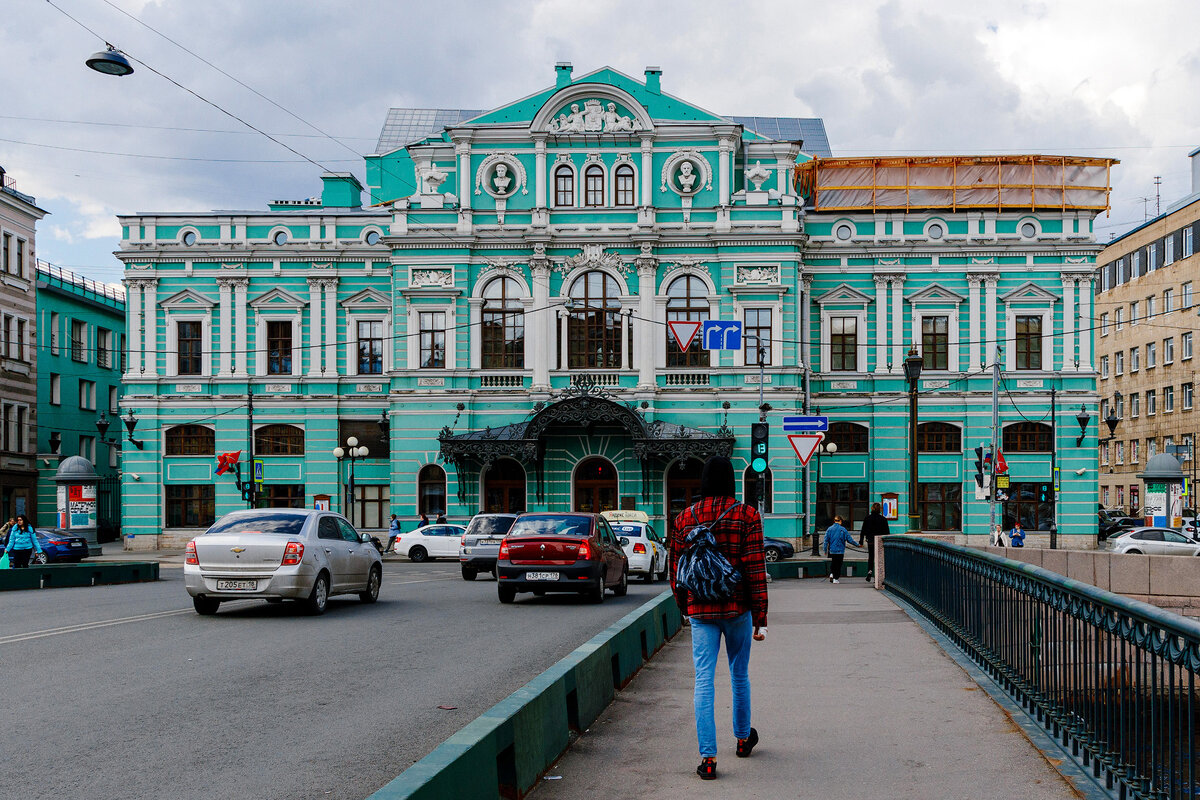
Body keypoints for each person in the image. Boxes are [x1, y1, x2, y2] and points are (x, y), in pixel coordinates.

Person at [669, 455, 767, 781]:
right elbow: (755, 568)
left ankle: (708, 759)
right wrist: (760, 616)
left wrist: (686, 606)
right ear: (731, 482)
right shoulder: (747, 515)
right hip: (738, 608)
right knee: (739, 675)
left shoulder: (684, 518)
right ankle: (742, 740)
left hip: (700, 611)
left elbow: (676, 572)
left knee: (703, 681)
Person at [859, 503, 889, 581]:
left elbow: (863, 531)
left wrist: (861, 541)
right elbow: (887, 532)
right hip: (880, 542)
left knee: (871, 557)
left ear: (872, 509)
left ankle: (869, 572)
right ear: (880, 509)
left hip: (871, 541)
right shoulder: (883, 519)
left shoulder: (867, 518)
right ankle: (879, 575)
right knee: (880, 558)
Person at [822, 515, 855, 584]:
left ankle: (831, 574)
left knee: (833, 563)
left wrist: (825, 549)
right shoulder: (843, 529)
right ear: (840, 521)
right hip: (840, 550)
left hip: (832, 550)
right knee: (838, 564)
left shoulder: (829, 529)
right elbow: (849, 539)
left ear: (834, 521)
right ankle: (835, 578)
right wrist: (857, 545)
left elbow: (825, 540)